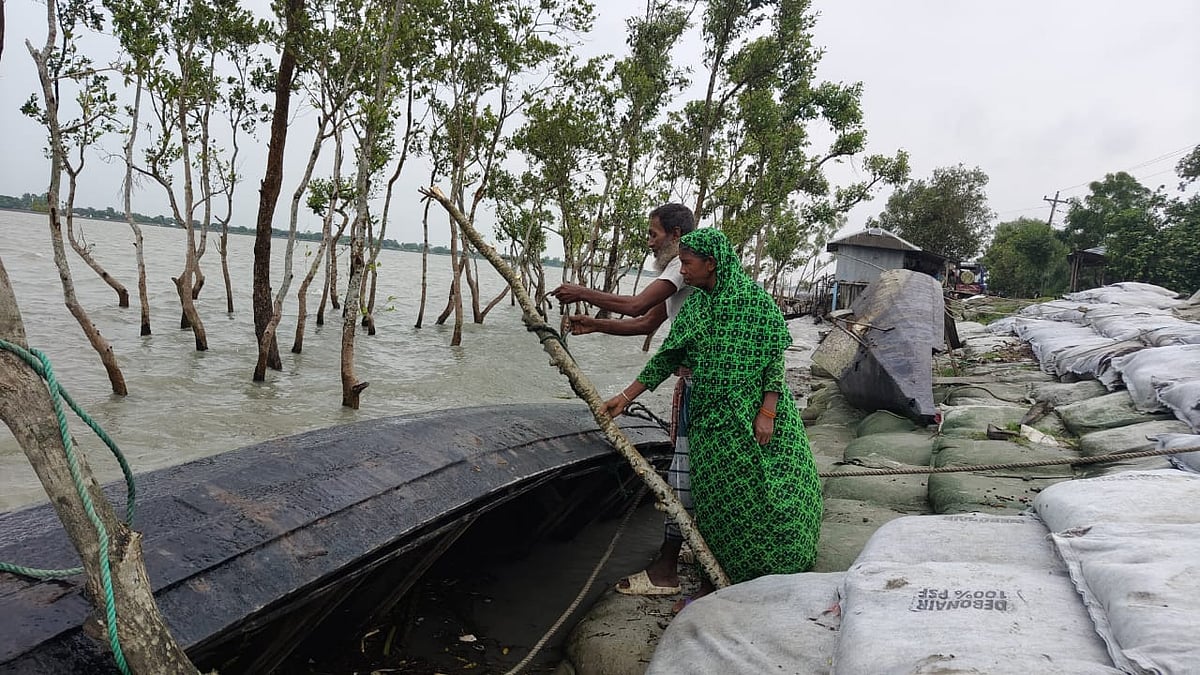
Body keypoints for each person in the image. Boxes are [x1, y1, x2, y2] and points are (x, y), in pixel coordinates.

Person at [601, 228, 822, 609]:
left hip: (754, 419)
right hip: (711, 424)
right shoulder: (697, 307)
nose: (682, 271)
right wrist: (624, 397)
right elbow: (668, 356)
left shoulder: (754, 302)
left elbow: (773, 360)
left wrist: (767, 413)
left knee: (763, 497)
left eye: (687, 263)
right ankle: (710, 582)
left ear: (711, 263)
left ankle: (762, 573)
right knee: (716, 505)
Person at [549, 203, 696, 597]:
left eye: (653, 234)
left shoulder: (682, 269)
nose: (649, 242)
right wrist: (594, 324)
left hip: (700, 386)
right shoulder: (682, 271)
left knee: (683, 475)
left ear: (676, 236)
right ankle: (687, 549)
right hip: (690, 383)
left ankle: (666, 569)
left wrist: (580, 291)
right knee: (689, 470)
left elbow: (636, 306)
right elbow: (648, 324)